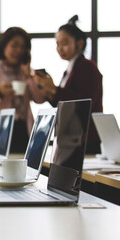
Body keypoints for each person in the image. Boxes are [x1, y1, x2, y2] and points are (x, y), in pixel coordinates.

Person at [36, 15, 103, 154]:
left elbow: (83, 103)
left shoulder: (87, 67)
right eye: (57, 44)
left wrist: (54, 90)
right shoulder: (70, 69)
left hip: (84, 139)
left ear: (80, 43)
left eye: (64, 43)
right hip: (71, 137)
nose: (60, 48)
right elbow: (62, 103)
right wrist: (48, 91)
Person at [0, 27, 45, 154]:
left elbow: (39, 99)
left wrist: (30, 76)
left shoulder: (26, 71)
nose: (18, 50)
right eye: (14, 45)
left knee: (23, 172)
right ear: (4, 45)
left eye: (23, 47)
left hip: (23, 131)